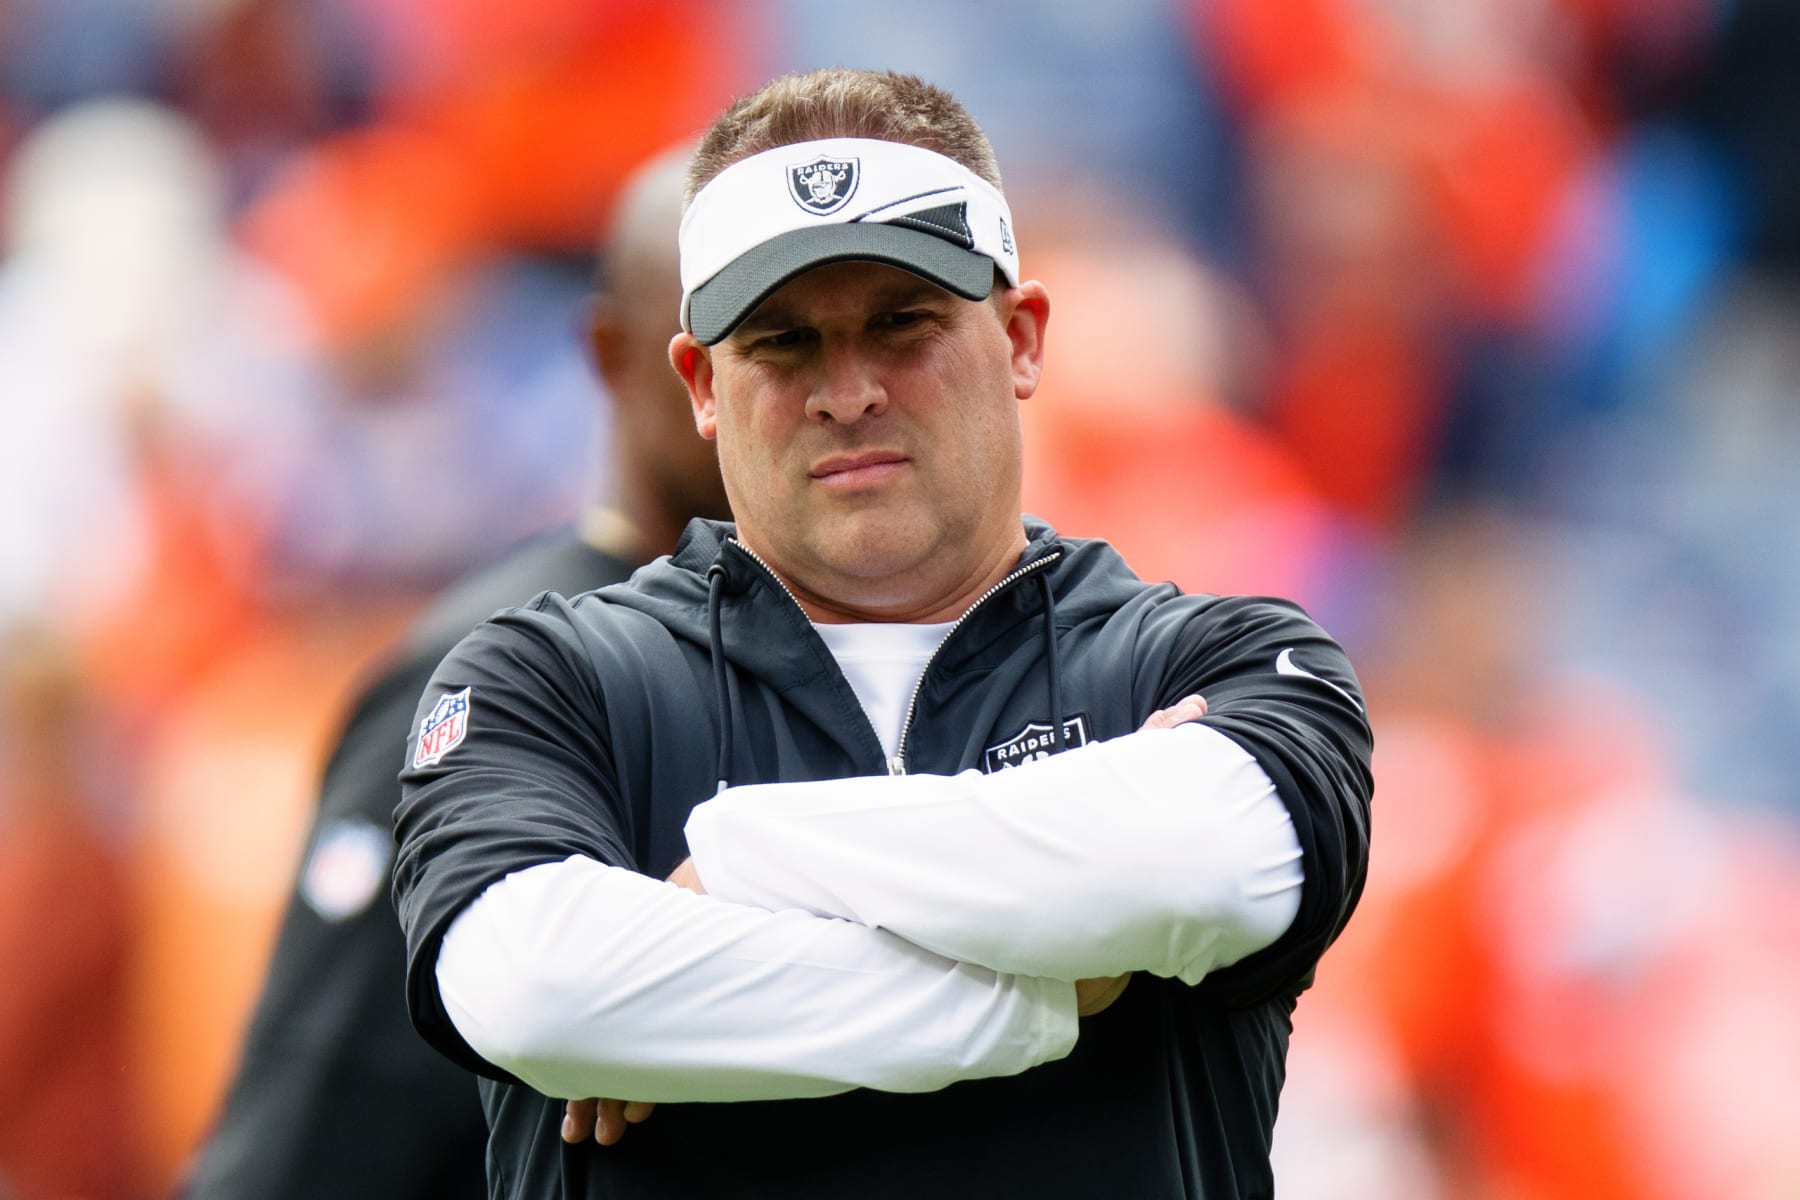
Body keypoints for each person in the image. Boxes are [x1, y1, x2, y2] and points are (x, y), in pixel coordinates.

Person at [394, 68, 1372, 1200]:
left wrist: (741, 872)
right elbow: (533, 985)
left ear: (1021, 337)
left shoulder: (1217, 656)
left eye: (902, 322)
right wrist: (1041, 985)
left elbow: (1213, 866)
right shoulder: (548, 680)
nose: (847, 389)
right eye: (783, 342)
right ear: (701, 383)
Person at [181, 145, 727, 1200]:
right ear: (615, 354)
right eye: (735, 338)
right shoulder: (494, 672)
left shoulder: (846, 654)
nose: (798, 385)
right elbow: (312, 1130)